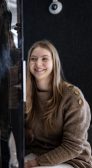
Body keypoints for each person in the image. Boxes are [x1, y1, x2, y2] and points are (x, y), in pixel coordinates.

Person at [25, 40, 92, 168]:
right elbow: (9, 122)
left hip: (72, 159)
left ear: (54, 63)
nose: (38, 64)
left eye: (44, 59)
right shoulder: (25, 93)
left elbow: (73, 147)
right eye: (33, 59)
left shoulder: (72, 96)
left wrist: (34, 163)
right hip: (39, 154)